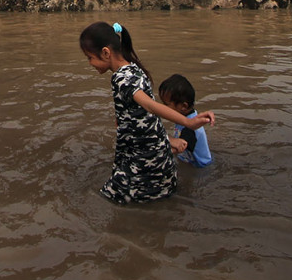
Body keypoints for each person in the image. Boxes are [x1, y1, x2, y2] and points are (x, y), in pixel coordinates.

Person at [80, 21, 215, 204]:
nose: (90, 63)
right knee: (161, 198)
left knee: (104, 200)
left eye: (89, 57)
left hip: (143, 157)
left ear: (105, 52)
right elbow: (145, 116)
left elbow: (150, 106)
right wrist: (167, 140)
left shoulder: (121, 78)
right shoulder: (134, 69)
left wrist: (188, 122)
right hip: (156, 153)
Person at [158, 74, 213, 167]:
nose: (163, 108)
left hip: (199, 166)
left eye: (166, 104)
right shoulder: (185, 118)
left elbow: (178, 148)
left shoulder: (190, 129)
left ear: (184, 106)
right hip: (188, 159)